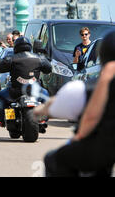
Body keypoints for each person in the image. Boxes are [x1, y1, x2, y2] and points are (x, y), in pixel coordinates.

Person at [35, 30, 115, 177]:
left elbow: (89, 114)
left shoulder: (88, 87)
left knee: (53, 159)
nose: (85, 36)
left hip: (106, 148)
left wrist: (40, 111)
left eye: (86, 34)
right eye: (83, 34)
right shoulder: (78, 49)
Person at [0, 36, 52, 128]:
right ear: (29, 46)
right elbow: (48, 69)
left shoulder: (11, 58)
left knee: (2, 96)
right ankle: (44, 118)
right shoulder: (39, 58)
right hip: (35, 91)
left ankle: (0, 120)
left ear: (16, 47)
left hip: (15, 92)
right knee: (46, 94)